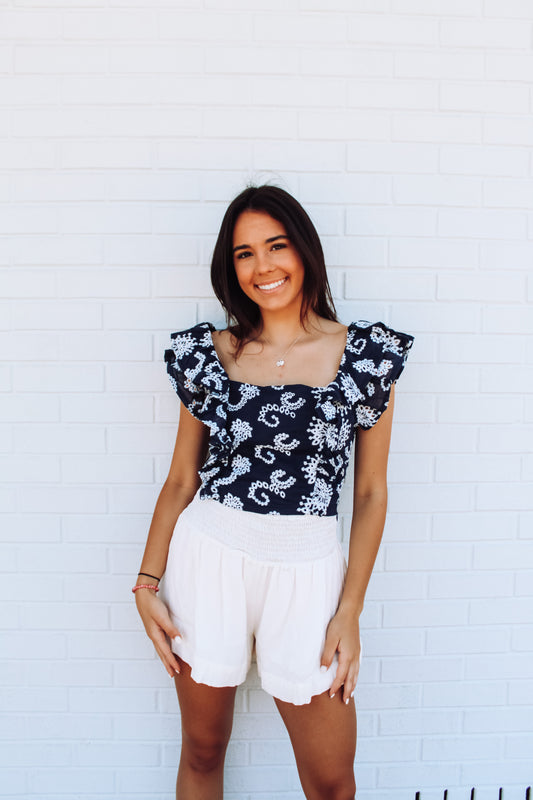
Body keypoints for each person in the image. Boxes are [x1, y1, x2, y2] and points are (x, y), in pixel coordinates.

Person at [134, 184, 415, 800]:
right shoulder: (209, 354)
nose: (262, 267)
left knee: (332, 781)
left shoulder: (366, 355)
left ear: (304, 250)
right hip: (209, 559)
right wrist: (146, 584)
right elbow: (183, 478)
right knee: (203, 751)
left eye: (276, 246)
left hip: (308, 571)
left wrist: (349, 612)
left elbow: (370, 494)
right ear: (229, 267)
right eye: (243, 254)